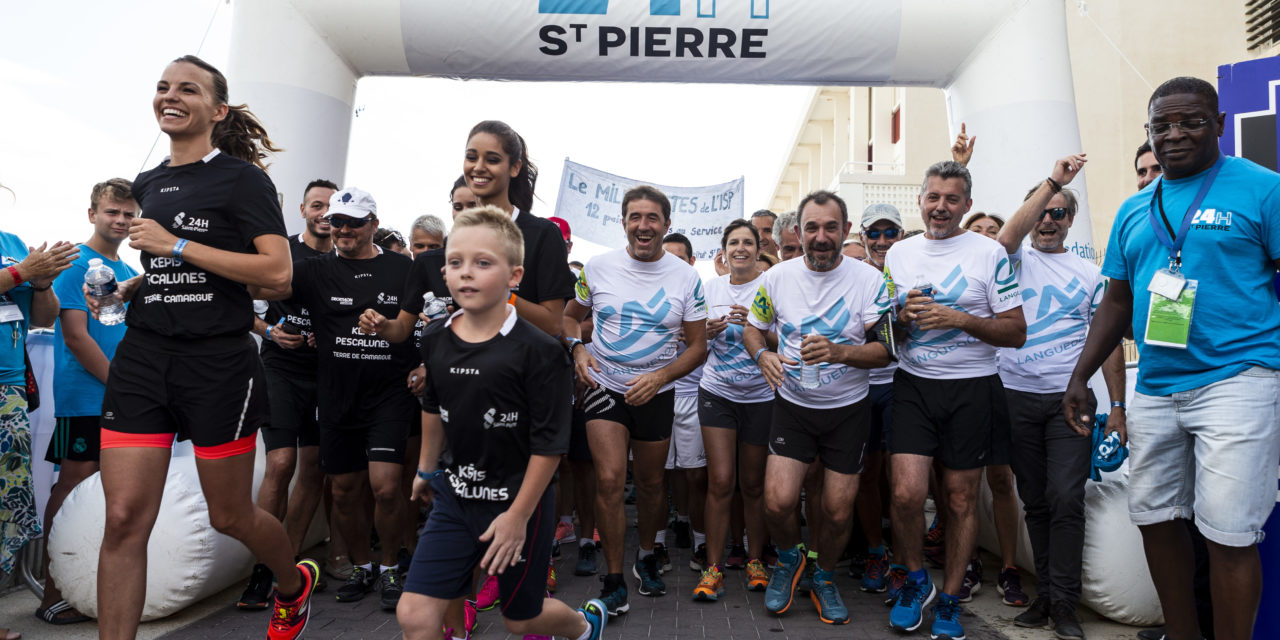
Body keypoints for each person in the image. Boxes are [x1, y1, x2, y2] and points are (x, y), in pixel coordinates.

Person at [93, 55, 317, 640]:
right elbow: (167, 268)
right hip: (143, 356)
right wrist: (128, 285)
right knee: (121, 519)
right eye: (163, 87)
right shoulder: (145, 185)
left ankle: (291, 585)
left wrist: (176, 246)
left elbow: (277, 272)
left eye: (187, 89)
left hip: (217, 362)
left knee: (229, 516)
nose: (170, 95)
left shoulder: (243, 180)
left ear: (217, 111)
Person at [1065, 76, 1280, 640]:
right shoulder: (1135, 210)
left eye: (1190, 122)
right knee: (1155, 519)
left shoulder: (1262, 189)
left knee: (1230, 532)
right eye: (1161, 125)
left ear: (1219, 125)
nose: (1175, 134)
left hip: (1239, 377)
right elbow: (1117, 299)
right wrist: (1079, 375)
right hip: (1158, 387)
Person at [395, 206, 607, 640]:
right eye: (455, 262)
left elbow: (550, 446)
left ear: (515, 276)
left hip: (518, 504)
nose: (465, 274)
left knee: (520, 619)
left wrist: (517, 517)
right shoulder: (435, 336)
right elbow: (433, 408)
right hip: (454, 498)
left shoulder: (541, 351)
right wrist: (426, 468)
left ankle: (586, 625)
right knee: (415, 616)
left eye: (483, 263)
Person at [885, 160, 1026, 640]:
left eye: (952, 199)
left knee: (961, 496)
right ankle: (916, 580)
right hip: (913, 384)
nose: (940, 207)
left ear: (966, 205)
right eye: (933, 197)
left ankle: (949, 600)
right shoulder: (899, 255)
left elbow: (1016, 332)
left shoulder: (989, 254)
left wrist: (958, 318)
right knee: (905, 494)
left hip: (973, 386)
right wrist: (903, 317)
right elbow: (887, 329)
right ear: (921, 201)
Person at [744, 190, 892, 625]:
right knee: (777, 501)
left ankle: (824, 575)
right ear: (797, 232)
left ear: (845, 230)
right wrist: (762, 356)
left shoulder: (870, 281)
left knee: (837, 508)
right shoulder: (777, 278)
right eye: (812, 227)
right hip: (794, 406)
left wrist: (839, 352)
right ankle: (790, 559)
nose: (821, 236)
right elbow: (754, 330)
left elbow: (885, 350)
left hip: (848, 409)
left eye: (831, 227)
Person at [996, 156, 1128, 640]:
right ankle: (1047, 596)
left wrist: (1117, 408)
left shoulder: (1091, 274)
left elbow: (1108, 342)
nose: (1048, 221)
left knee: (1067, 498)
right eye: (1042, 212)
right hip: (1015, 398)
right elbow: (1007, 238)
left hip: (1071, 404)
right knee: (1035, 501)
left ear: (1071, 221)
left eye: (1059, 213)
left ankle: (1066, 606)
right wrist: (1053, 182)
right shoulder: (1011, 259)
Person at [563, 185, 708, 614]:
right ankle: (613, 580)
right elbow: (570, 316)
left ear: (666, 224)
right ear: (624, 222)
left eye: (652, 218)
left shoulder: (686, 277)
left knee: (650, 484)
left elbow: (698, 347)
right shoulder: (598, 267)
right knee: (609, 480)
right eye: (635, 217)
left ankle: (647, 555)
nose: (643, 226)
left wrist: (660, 376)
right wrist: (577, 349)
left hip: (657, 394)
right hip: (605, 387)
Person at [285, 187, 418, 610]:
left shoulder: (403, 268)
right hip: (337, 396)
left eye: (353, 222)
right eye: (337, 221)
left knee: (385, 487)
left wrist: (392, 333)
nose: (341, 228)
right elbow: (259, 288)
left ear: (373, 225)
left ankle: (391, 565)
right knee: (343, 491)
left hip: (389, 394)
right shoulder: (314, 269)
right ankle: (363, 564)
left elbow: (417, 325)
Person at [39, 179, 136, 626]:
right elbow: (77, 338)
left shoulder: (124, 266)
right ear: (92, 213)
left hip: (120, 398)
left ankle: (84, 585)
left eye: (128, 213)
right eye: (112, 211)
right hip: (85, 398)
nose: (120, 220)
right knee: (72, 489)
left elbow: (118, 331)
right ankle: (52, 592)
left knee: (108, 498)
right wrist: (119, 385)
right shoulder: (75, 263)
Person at [238, 178, 338, 610]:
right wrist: (270, 331)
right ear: (302, 209)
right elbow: (240, 302)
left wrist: (328, 337)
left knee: (314, 469)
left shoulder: (344, 261)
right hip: (279, 368)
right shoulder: (281, 252)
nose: (324, 214)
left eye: (332, 208)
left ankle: (288, 568)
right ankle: (262, 569)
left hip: (327, 375)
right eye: (317, 205)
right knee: (280, 464)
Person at [693, 219, 774, 602]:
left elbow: (784, 337)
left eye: (747, 242)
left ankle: (757, 559)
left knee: (754, 485)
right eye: (733, 243)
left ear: (759, 249)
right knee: (721, 481)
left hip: (761, 396)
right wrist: (704, 333)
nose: (740, 248)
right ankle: (713, 568)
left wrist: (757, 328)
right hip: (717, 393)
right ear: (723, 250)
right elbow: (687, 338)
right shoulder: (710, 288)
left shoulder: (771, 286)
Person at [853, 203, 906, 596]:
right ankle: (875, 552)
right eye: (875, 233)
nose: (883, 241)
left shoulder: (912, 269)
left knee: (903, 480)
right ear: (863, 237)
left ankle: (904, 561)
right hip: (858, 387)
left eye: (891, 233)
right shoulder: (852, 275)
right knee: (867, 475)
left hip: (902, 383)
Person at [656, 233, 707, 576]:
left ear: (691, 262)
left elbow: (703, 343)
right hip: (654, 394)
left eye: (680, 258)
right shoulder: (645, 287)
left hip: (692, 395)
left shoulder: (702, 292)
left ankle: (701, 541)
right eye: (666, 257)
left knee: (696, 475)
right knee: (654, 475)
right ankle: (656, 542)